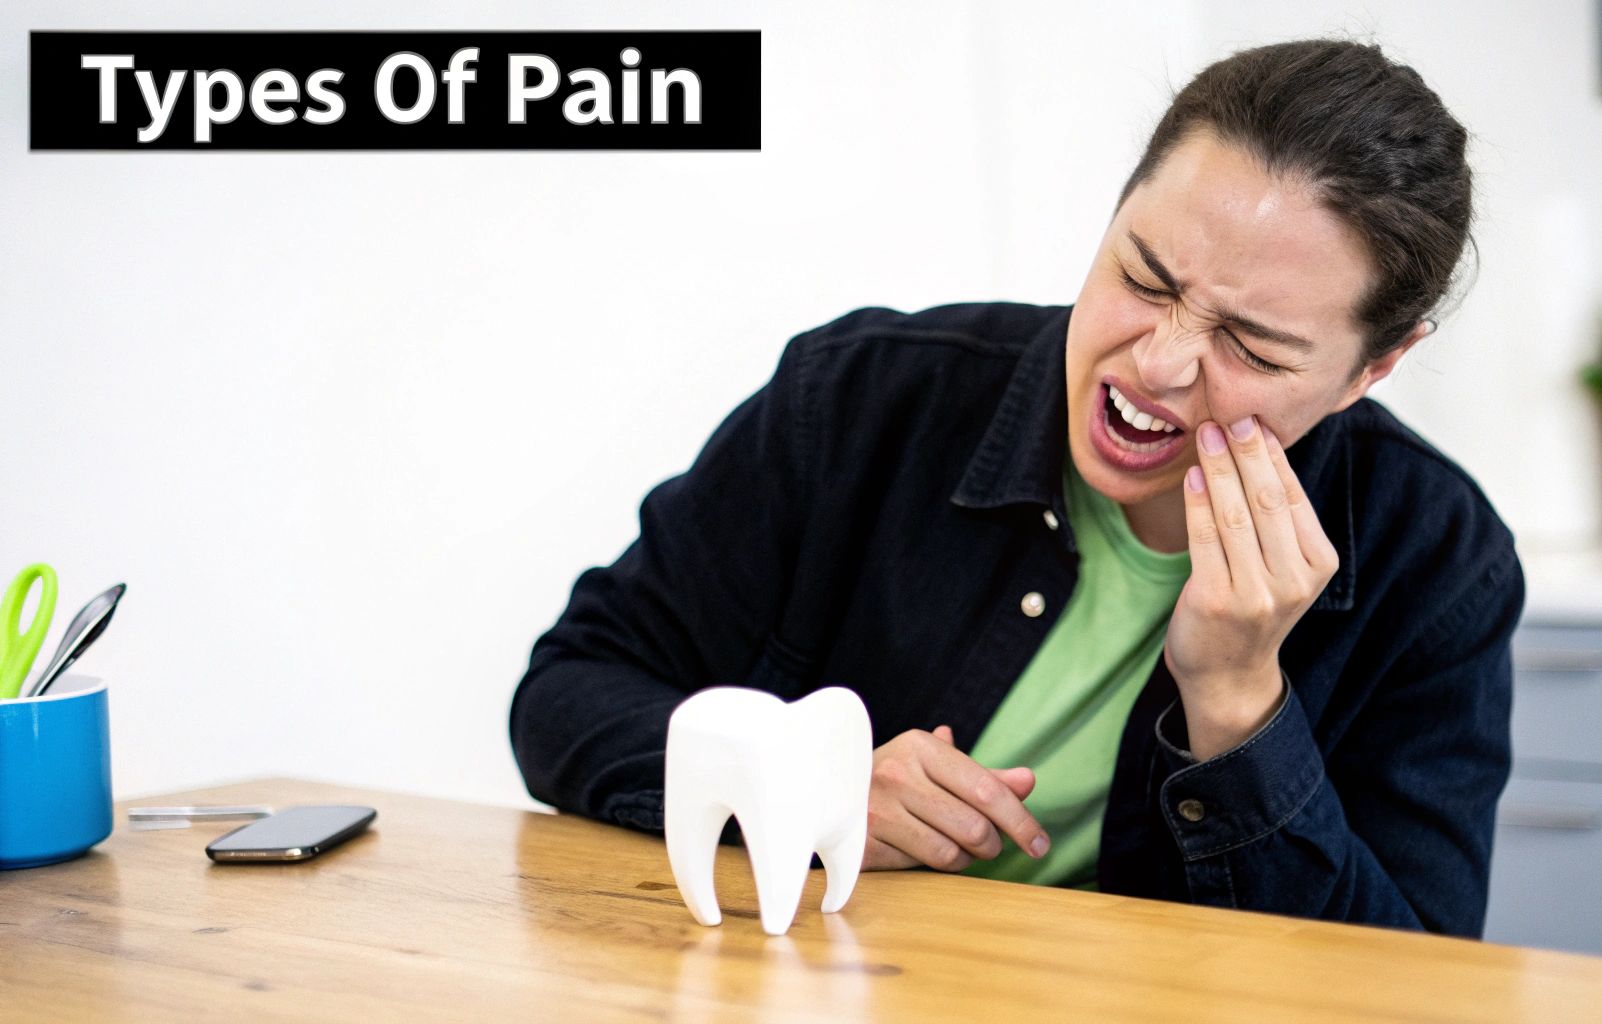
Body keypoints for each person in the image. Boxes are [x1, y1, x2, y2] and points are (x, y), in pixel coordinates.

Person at [509, 37, 1524, 939]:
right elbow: (566, 691)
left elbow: (1412, 977)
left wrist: (1236, 700)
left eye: (1250, 344)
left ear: (1369, 369)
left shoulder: (1436, 558)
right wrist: (803, 783)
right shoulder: (862, 393)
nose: (1159, 364)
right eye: (1144, 278)